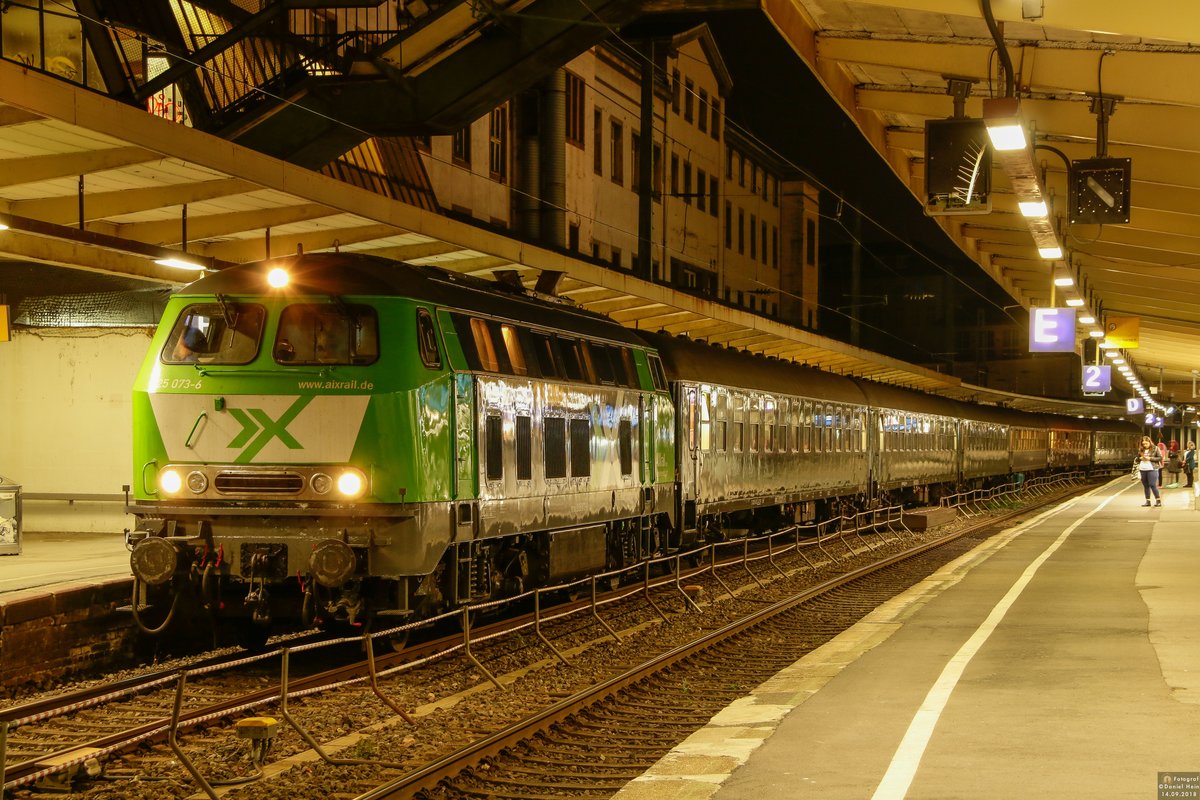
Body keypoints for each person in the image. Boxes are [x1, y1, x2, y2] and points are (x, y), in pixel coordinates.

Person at [1136, 436, 1163, 507]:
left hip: (1152, 469)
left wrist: (1150, 458)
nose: (1145, 445)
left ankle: (1158, 501)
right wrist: (1140, 458)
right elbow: (1137, 459)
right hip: (1143, 469)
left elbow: (1160, 457)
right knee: (1146, 485)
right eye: (1143, 444)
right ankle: (1148, 501)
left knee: (1152, 484)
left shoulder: (1155, 448)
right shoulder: (1141, 450)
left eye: (1146, 443)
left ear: (1149, 442)